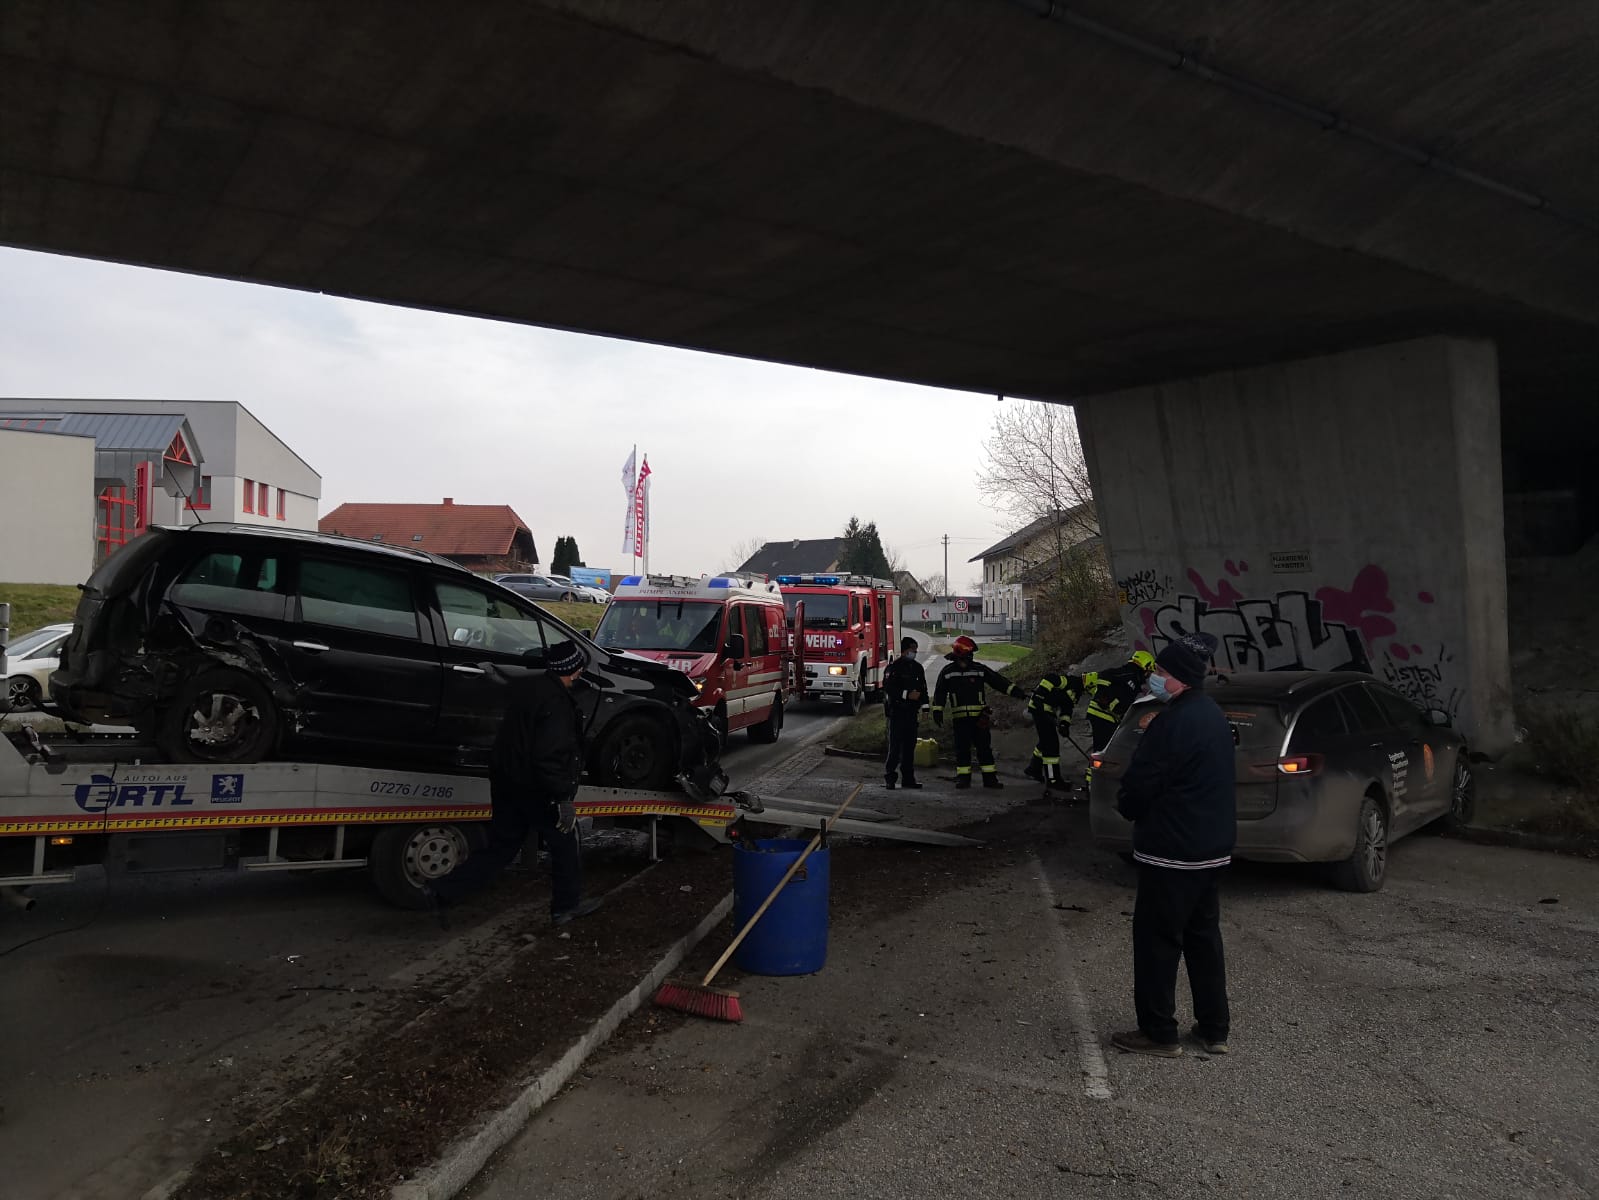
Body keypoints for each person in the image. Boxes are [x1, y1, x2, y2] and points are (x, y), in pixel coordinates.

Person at [1110, 640, 1235, 1058]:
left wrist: (1126, 805)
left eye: (1159, 672)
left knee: (1157, 941)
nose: (1153, 678)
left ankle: (1158, 1031)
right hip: (1211, 849)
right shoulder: (1214, 716)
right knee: (1203, 938)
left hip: (1172, 851)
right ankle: (1214, 1028)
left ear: (1177, 677)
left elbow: (1143, 782)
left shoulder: (1170, 723)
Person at [429, 640, 604, 928]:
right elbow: (548, 756)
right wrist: (562, 799)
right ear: (574, 670)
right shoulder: (557, 704)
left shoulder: (532, 690)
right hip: (537, 789)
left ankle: (443, 890)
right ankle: (565, 908)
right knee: (565, 842)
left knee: (502, 847)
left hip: (508, 783)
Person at [931, 635, 1024, 789]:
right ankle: (963, 778)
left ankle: (990, 779)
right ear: (961, 652)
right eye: (969, 652)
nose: (971, 655)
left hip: (979, 718)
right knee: (962, 750)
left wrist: (1016, 692)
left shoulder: (979, 670)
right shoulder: (947, 672)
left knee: (984, 749)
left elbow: (998, 681)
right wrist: (937, 710)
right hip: (960, 720)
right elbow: (939, 693)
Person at [1081, 650, 1156, 787]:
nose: (1148, 676)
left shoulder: (1132, 679)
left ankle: (1094, 782)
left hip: (1108, 718)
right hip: (1101, 715)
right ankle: (1093, 785)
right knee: (1102, 750)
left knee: (1104, 750)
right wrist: (1106, 700)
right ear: (1144, 666)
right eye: (1148, 671)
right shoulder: (1126, 674)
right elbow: (1103, 677)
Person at [881, 636, 930, 789]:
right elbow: (888, 688)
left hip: (911, 713)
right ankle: (890, 778)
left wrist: (926, 707)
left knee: (909, 747)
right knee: (895, 747)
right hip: (897, 712)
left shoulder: (917, 668)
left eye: (915, 651)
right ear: (905, 651)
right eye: (912, 650)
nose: (914, 653)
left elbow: (923, 689)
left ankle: (908, 779)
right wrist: (906, 695)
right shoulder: (894, 668)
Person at [1023, 669, 1083, 789]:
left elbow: (1067, 709)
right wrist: (1039, 696)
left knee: (1046, 741)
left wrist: (1064, 725)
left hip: (1048, 712)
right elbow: (1050, 678)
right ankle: (1053, 780)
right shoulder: (1071, 682)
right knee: (1051, 746)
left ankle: (1033, 769)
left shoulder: (1078, 693)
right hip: (1039, 709)